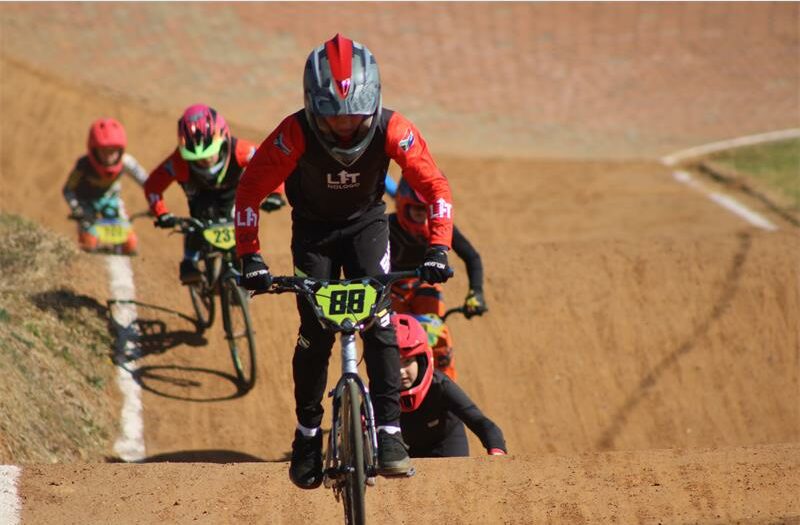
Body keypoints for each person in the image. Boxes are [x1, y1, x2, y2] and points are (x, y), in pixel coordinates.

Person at [234, 34, 455, 489]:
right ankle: (307, 437)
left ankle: (390, 434)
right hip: (312, 234)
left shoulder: (393, 128)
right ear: (311, 106)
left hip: (366, 228)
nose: (345, 127)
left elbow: (435, 187)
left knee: (380, 323)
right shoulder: (293, 133)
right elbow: (250, 189)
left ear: (374, 103)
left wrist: (438, 247)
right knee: (315, 333)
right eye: (334, 117)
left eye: (355, 116)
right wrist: (249, 254)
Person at [144, 103, 286, 284]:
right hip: (200, 198)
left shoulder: (240, 150)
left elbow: (271, 164)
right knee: (195, 224)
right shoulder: (178, 161)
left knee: (240, 226)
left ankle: (241, 265)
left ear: (223, 140)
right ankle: (189, 260)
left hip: (232, 195)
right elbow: (153, 186)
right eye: (198, 160)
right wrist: (161, 213)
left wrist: (276, 193)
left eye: (210, 155)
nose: (205, 162)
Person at [388, 176, 488, 381]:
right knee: (394, 342)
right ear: (403, 205)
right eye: (416, 209)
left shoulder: (440, 229)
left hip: (424, 287)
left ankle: (445, 388)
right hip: (392, 289)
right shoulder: (385, 226)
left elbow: (472, 257)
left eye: (426, 209)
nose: (422, 215)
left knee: (439, 340)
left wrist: (476, 292)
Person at [393, 313, 507, 457]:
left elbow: (478, 420)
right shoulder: (378, 391)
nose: (401, 371)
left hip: (447, 442)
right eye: (393, 363)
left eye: (407, 361)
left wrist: (496, 449)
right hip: (409, 448)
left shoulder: (440, 384)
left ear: (421, 360)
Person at [63, 117, 147, 254]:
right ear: (94, 150)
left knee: (129, 244)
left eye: (113, 151)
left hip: (110, 200)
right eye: (104, 151)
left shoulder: (126, 162)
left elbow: (147, 183)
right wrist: (76, 208)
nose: (109, 156)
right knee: (88, 243)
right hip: (85, 204)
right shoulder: (83, 165)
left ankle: (117, 248)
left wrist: (155, 204)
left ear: (121, 150)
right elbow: (68, 189)